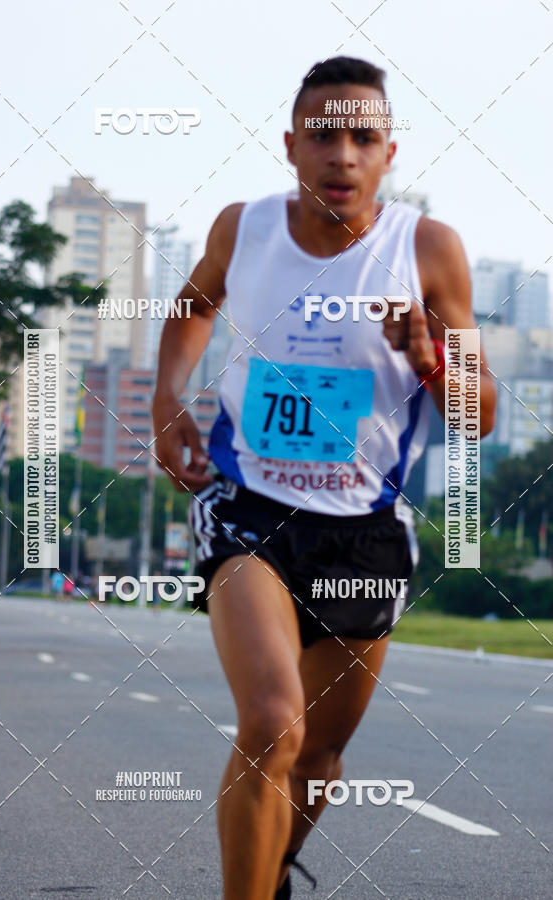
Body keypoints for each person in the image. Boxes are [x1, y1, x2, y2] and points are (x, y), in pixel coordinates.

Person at [153, 56, 496, 900]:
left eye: (363, 138)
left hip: (367, 530)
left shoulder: (428, 250)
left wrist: (428, 359)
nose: (342, 154)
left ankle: (269, 875)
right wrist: (167, 397)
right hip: (249, 508)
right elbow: (193, 307)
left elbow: (480, 412)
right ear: (290, 146)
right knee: (274, 722)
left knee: (319, 754)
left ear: (389, 155)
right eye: (323, 135)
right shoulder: (244, 230)